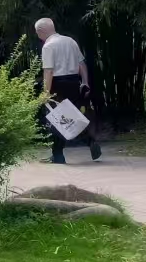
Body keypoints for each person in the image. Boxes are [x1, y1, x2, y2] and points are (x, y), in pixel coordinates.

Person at [35, 17, 101, 163]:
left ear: (40, 31)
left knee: (56, 118)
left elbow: (48, 71)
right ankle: (90, 141)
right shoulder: (70, 41)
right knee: (71, 116)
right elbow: (81, 64)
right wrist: (84, 82)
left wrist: (45, 93)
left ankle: (58, 156)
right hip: (73, 83)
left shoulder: (48, 46)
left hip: (57, 84)